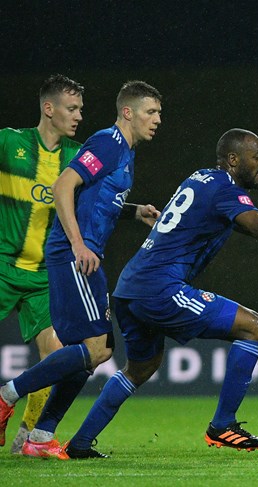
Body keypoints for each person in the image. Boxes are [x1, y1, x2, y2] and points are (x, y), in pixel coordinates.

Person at [56, 128, 258, 459]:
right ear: (234, 160)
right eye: (257, 156)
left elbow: (244, 223)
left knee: (140, 367)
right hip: (159, 289)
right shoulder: (225, 188)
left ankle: (79, 445)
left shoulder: (202, 178)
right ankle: (222, 424)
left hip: (129, 287)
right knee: (254, 327)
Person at [0, 80, 163, 459]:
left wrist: (133, 210)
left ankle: (40, 437)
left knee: (94, 349)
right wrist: (77, 243)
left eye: (158, 113)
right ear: (128, 112)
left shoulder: (123, 151)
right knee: (95, 348)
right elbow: (62, 187)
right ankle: (8, 394)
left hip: (83, 256)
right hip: (74, 255)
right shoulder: (107, 142)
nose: (157, 120)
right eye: (151, 112)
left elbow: (95, 195)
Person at [0, 74, 85, 453]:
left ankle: (25, 441)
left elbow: (98, 205)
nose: (79, 115)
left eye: (81, 108)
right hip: (2, 267)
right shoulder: (9, 142)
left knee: (56, 355)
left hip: (43, 277)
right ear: (49, 109)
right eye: (72, 108)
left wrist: (136, 213)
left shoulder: (77, 157)